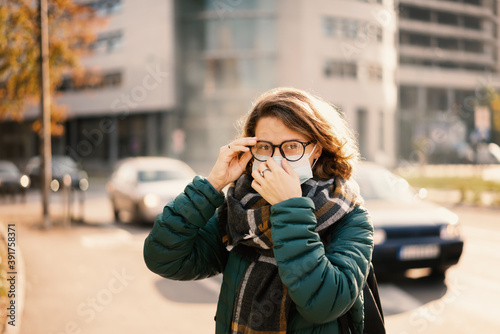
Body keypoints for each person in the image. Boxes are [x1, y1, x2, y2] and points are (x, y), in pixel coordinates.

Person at [143, 87, 374, 334]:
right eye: (265, 146)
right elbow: (163, 258)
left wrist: (290, 208)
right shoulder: (239, 210)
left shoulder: (350, 218)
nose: (277, 158)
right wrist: (212, 185)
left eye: (292, 146)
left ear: (316, 149)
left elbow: (325, 303)